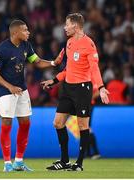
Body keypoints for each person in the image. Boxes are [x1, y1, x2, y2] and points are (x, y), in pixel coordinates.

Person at [0, 19, 61, 172]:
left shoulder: (26, 45)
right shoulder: (3, 49)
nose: (28, 32)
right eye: (25, 30)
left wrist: (54, 63)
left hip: (21, 89)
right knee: (7, 124)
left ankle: (19, 161)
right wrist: (9, 87)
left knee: (25, 123)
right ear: (15, 32)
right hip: (6, 92)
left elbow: (37, 62)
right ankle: (7, 163)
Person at [41, 13, 109, 171]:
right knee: (57, 123)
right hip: (67, 88)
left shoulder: (89, 44)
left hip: (82, 89)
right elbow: (67, 69)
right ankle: (64, 161)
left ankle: (78, 163)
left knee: (82, 125)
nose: (64, 27)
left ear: (76, 26)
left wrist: (101, 87)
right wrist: (55, 80)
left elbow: (94, 68)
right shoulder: (69, 43)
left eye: (67, 24)